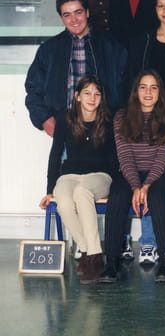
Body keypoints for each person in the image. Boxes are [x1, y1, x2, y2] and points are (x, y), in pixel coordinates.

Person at [99, 70, 165, 283]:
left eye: (154, 87)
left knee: (156, 195)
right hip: (131, 172)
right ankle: (111, 261)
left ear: (160, 92)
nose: (148, 92)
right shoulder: (121, 117)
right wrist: (136, 185)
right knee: (117, 194)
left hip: (163, 172)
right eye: (143, 87)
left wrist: (147, 185)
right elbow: (124, 155)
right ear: (136, 91)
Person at [39, 75, 117, 284]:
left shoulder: (108, 120)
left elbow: (114, 158)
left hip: (100, 176)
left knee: (82, 192)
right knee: (63, 201)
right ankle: (87, 251)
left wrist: (118, 185)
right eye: (87, 93)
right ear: (77, 96)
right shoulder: (65, 119)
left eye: (97, 94)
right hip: (70, 174)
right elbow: (55, 154)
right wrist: (49, 190)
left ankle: (94, 256)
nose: (92, 98)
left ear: (101, 98)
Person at [25, 0, 127, 136]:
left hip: (104, 129)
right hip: (65, 128)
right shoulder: (49, 50)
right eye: (67, 15)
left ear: (87, 13)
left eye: (78, 12)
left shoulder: (111, 46)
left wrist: (119, 121)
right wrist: (44, 119)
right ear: (61, 18)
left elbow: (126, 87)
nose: (74, 20)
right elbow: (33, 90)